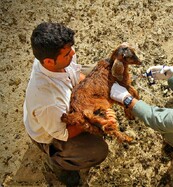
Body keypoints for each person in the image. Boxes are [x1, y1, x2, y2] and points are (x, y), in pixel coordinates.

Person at [23, 22, 109, 186]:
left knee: (103, 75)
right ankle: (58, 162)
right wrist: (91, 115)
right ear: (48, 61)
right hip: (51, 135)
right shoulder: (49, 102)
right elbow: (63, 134)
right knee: (98, 150)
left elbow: (76, 76)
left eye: (71, 50)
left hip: (61, 104)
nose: (73, 53)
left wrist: (94, 94)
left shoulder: (54, 58)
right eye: (67, 54)